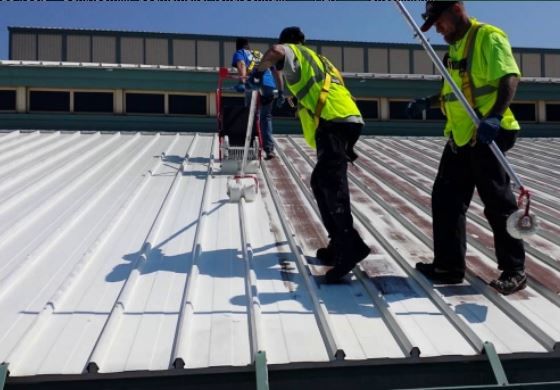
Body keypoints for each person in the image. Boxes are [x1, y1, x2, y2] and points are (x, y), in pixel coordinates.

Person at [407, 1, 526, 295]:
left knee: (499, 203)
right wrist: (429, 102)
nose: (437, 28)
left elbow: (509, 77)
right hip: (461, 136)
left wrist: (495, 116)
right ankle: (448, 267)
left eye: (438, 21)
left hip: (488, 134)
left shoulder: (488, 37)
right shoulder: (454, 51)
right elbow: (454, 94)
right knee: (445, 200)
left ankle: (514, 269)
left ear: (455, 9)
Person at [246, 27, 370, 283]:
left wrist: (257, 71)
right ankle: (339, 243)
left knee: (331, 184)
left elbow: (275, 52)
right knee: (321, 181)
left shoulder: (293, 50)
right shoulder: (319, 60)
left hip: (334, 120)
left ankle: (350, 247)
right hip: (344, 119)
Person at [231, 37, 278, 160]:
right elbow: (274, 69)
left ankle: (251, 147)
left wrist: (242, 81)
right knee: (265, 117)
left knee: (250, 115)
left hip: (253, 84)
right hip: (268, 85)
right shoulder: (259, 53)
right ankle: (269, 150)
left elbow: (241, 64)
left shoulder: (240, 53)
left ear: (238, 46)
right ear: (248, 46)